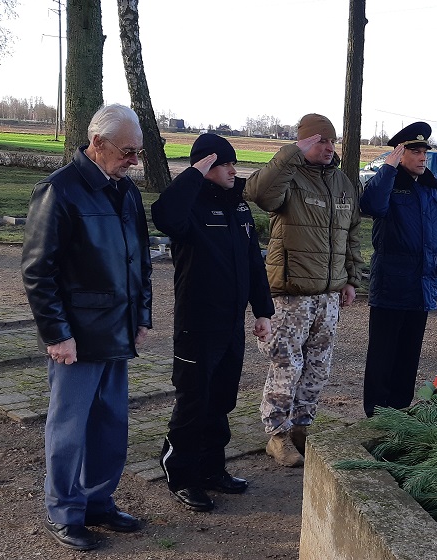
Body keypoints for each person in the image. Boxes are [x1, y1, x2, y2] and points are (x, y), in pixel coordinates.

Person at [21, 104, 152, 551]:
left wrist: (141, 316)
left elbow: (141, 261)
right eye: (128, 151)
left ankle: (98, 501)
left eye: (138, 152)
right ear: (97, 143)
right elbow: (38, 271)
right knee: (69, 428)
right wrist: (57, 334)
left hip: (117, 329)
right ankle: (63, 510)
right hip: (76, 336)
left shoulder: (126, 192)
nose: (134, 160)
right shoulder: (58, 190)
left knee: (111, 424)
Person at [151, 134, 274, 512]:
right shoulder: (189, 204)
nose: (233, 170)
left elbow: (253, 263)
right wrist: (193, 173)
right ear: (205, 165)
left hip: (230, 323)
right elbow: (164, 215)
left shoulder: (238, 206)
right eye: (224, 164)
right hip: (197, 323)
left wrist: (263, 311)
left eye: (233, 163)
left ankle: (211, 469)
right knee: (194, 400)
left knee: (221, 398)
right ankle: (182, 474)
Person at [244, 113, 362, 467]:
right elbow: (258, 193)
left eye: (331, 141)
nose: (328, 147)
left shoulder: (342, 182)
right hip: (291, 293)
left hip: (328, 295)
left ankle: (301, 427)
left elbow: (351, 233)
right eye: (319, 140)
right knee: (287, 364)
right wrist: (291, 153)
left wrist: (351, 279)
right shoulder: (288, 175)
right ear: (304, 141)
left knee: (318, 366)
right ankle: (277, 435)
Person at [359, 122, 437, 417]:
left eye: (425, 151)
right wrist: (387, 169)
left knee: (409, 355)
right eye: (416, 152)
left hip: (422, 285)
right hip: (392, 284)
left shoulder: (434, 189)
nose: (423, 157)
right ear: (400, 154)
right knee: (383, 354)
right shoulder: (389, 183)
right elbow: (371, 205)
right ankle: (376, 415)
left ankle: (400, 411)